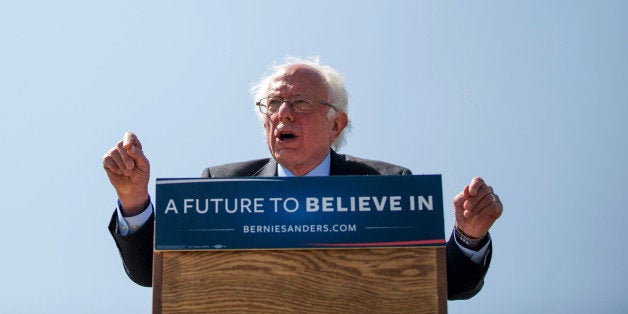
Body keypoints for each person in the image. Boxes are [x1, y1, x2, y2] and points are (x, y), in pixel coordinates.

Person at [103, 57, 503, 300]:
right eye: (273, 103)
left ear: (336, 124)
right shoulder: (220, 185)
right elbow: (151, 276)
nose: (283, 114)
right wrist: (135, 200)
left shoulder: (387, 183)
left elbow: (445, 285)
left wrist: (468, 237)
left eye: (299, 103)